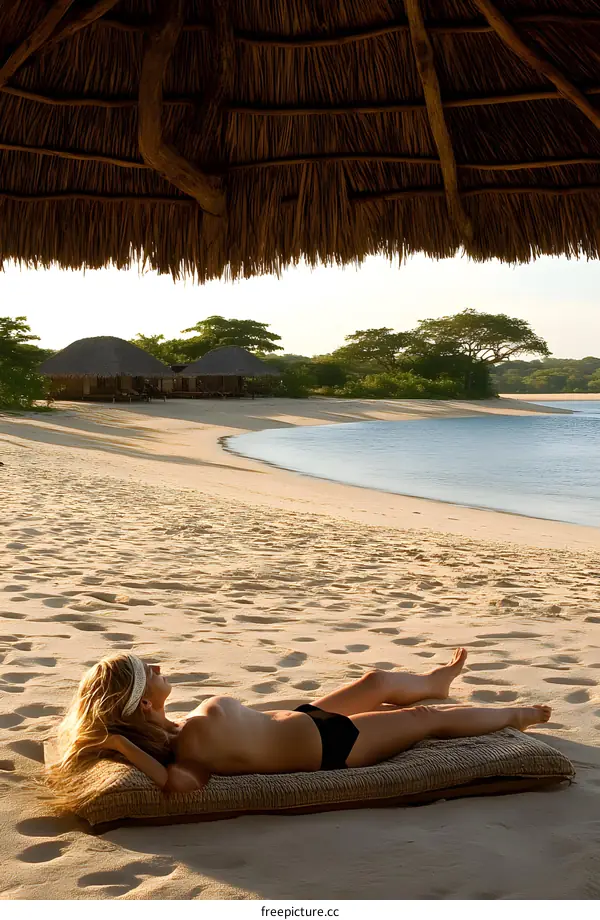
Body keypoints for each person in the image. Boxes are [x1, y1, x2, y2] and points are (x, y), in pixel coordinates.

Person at [47, 649, 550, 809]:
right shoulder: (186, 747)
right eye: (146, 670)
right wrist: (117, 745)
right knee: (423, 721)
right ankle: (516, 717)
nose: (157, 666)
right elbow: (179, 786)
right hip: (334, 747)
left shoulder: (177, 727)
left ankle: (434, 681)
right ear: (138, 700)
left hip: (307, 721)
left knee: (374, 680)